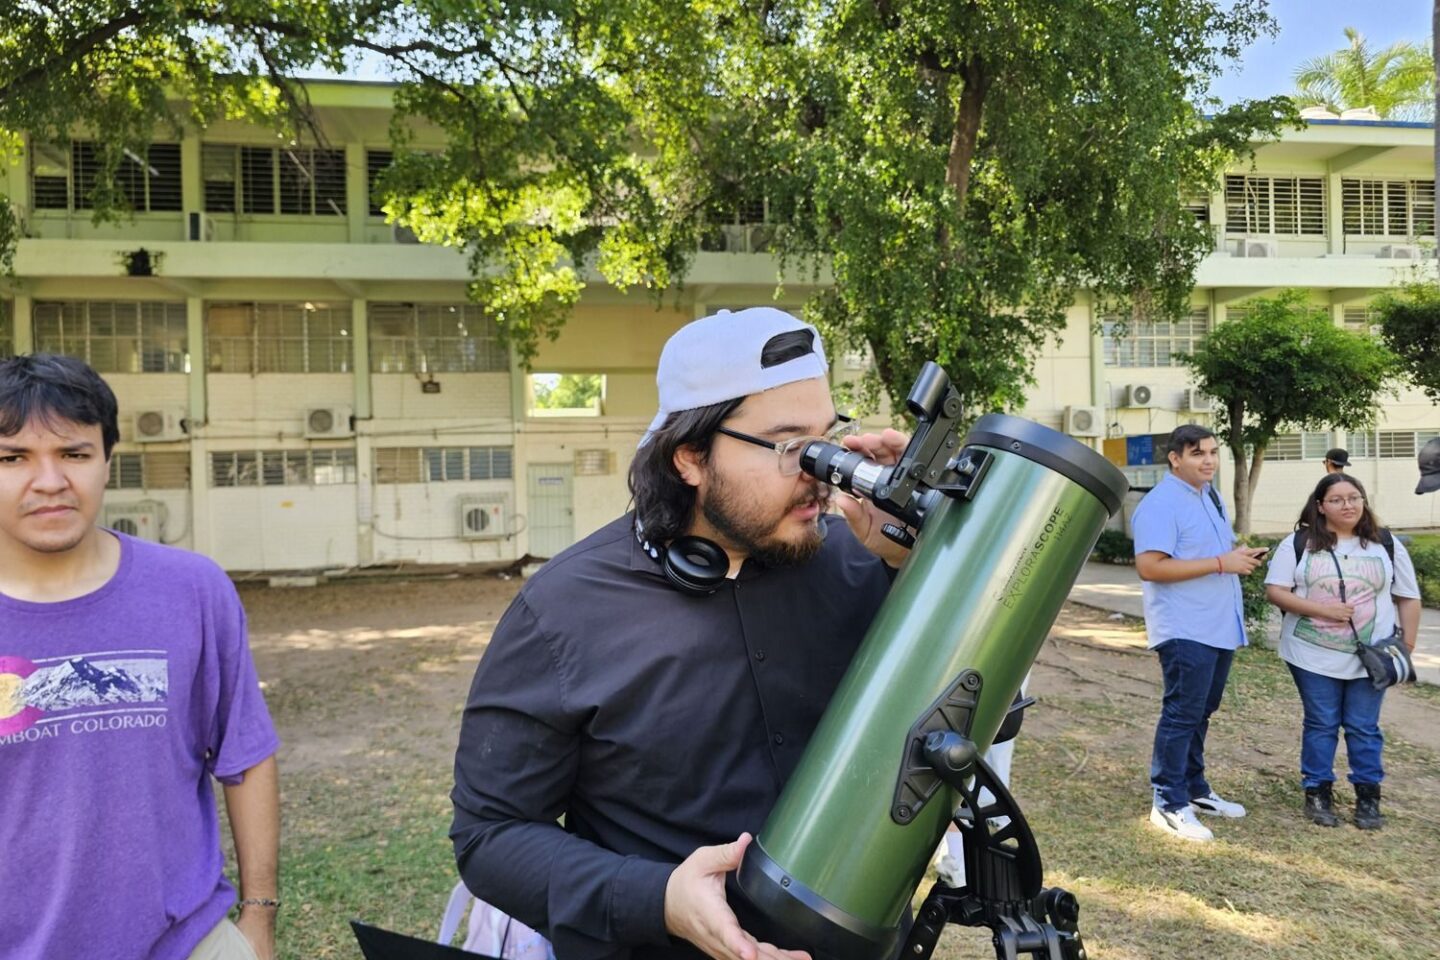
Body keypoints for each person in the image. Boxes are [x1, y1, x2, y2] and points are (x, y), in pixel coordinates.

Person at [451, 308, 910, 960]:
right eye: (789, 447)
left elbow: (976, 724)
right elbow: (490, 835)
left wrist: (925, 563)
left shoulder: (870, 564)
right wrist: (658, 897)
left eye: (828, 439)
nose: (823, 470)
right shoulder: (563, 611)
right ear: (689, 456)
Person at [0, 355, 280, 960]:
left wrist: (258, 918)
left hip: (189, 942)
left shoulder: (192, 590)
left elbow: (246, 756)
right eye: (12, 457)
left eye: (74, 454)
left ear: (107, 463)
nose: (49, 481)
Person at [1131, 424, 1267, 842]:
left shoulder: (1209, 495)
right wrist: (1223, 564)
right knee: (1182, 712)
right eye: (1197, 454)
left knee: (1201, 711)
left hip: (1217, 625)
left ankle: (1194, 789)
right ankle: (1168, 803)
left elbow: (1210, 554)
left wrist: (1237, 557)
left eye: (1212, 452)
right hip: (1185, 627)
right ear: (1175, 458)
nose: (1208, 460)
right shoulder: (1160, 504)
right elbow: (1150, 567)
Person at [1263, 473, 1420, 830]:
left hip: (1372, 656)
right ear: (1320, 507)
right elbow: (1276, 590)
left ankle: (1368, 797)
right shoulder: (1300, 543)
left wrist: (1405, 647)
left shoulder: (1385, 544)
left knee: (1364, 727)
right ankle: (1317, 793)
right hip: (1311, 654)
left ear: (1364, 501)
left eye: (1354, 497)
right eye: (1337, 500)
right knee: (1321, 723)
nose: (1347, 505)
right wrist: (1322, 611)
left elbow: (1408, 596)